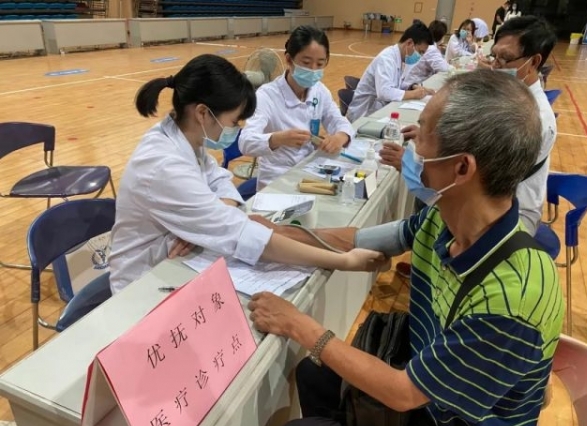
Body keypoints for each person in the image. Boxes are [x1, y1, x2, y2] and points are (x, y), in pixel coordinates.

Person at [249, 70, 564, 426]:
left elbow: (404, 393)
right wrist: (280, 233)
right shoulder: (444, 219)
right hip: (431, 397)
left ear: (462, 167)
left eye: (424, 131)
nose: (412, 143)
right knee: (314, 375)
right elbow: (359, 239)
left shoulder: (512, 298)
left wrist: (299, 325)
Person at [108, 54, 385, 293]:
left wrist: (206, 219)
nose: (235, 128)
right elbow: (243, 235)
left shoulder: (183, 135)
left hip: (177, 261)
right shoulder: (163, 163)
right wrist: (343, 261)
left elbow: (220, 179)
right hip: (143, 280)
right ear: (202, 113)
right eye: (233, 121)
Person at [239, 26, 355, 189]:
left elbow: (338, 120)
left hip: (311, 172)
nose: (313, 70)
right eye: (306, 63)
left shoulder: (319, 91)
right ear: (288, 60)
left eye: (320, 64)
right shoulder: (267, 95)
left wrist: (341, 136)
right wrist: (278, 139)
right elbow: (245, 142)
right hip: (277, 179)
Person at [479, 15, 558, 233]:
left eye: (505, 59)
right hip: (494, 198)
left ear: (533, 62)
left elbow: (489, 179)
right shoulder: (511, 94)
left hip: (514, 214)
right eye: (494, 56)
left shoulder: (533, 118)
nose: (495, 66)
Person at [346, 21, 434, 122]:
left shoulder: (399, 58)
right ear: (409, 43)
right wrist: (414, 94)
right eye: (420, 52)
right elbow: (384, 92)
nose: (420, 56)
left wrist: (413, 87)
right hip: (363, 116)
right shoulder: (386, 58)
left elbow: (395, 85)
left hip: (378, 110)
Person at [401, 20, 450, 92]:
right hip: (412, 84)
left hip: (410, 82)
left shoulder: (429, 46)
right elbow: (444, 68)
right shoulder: (431, 48)